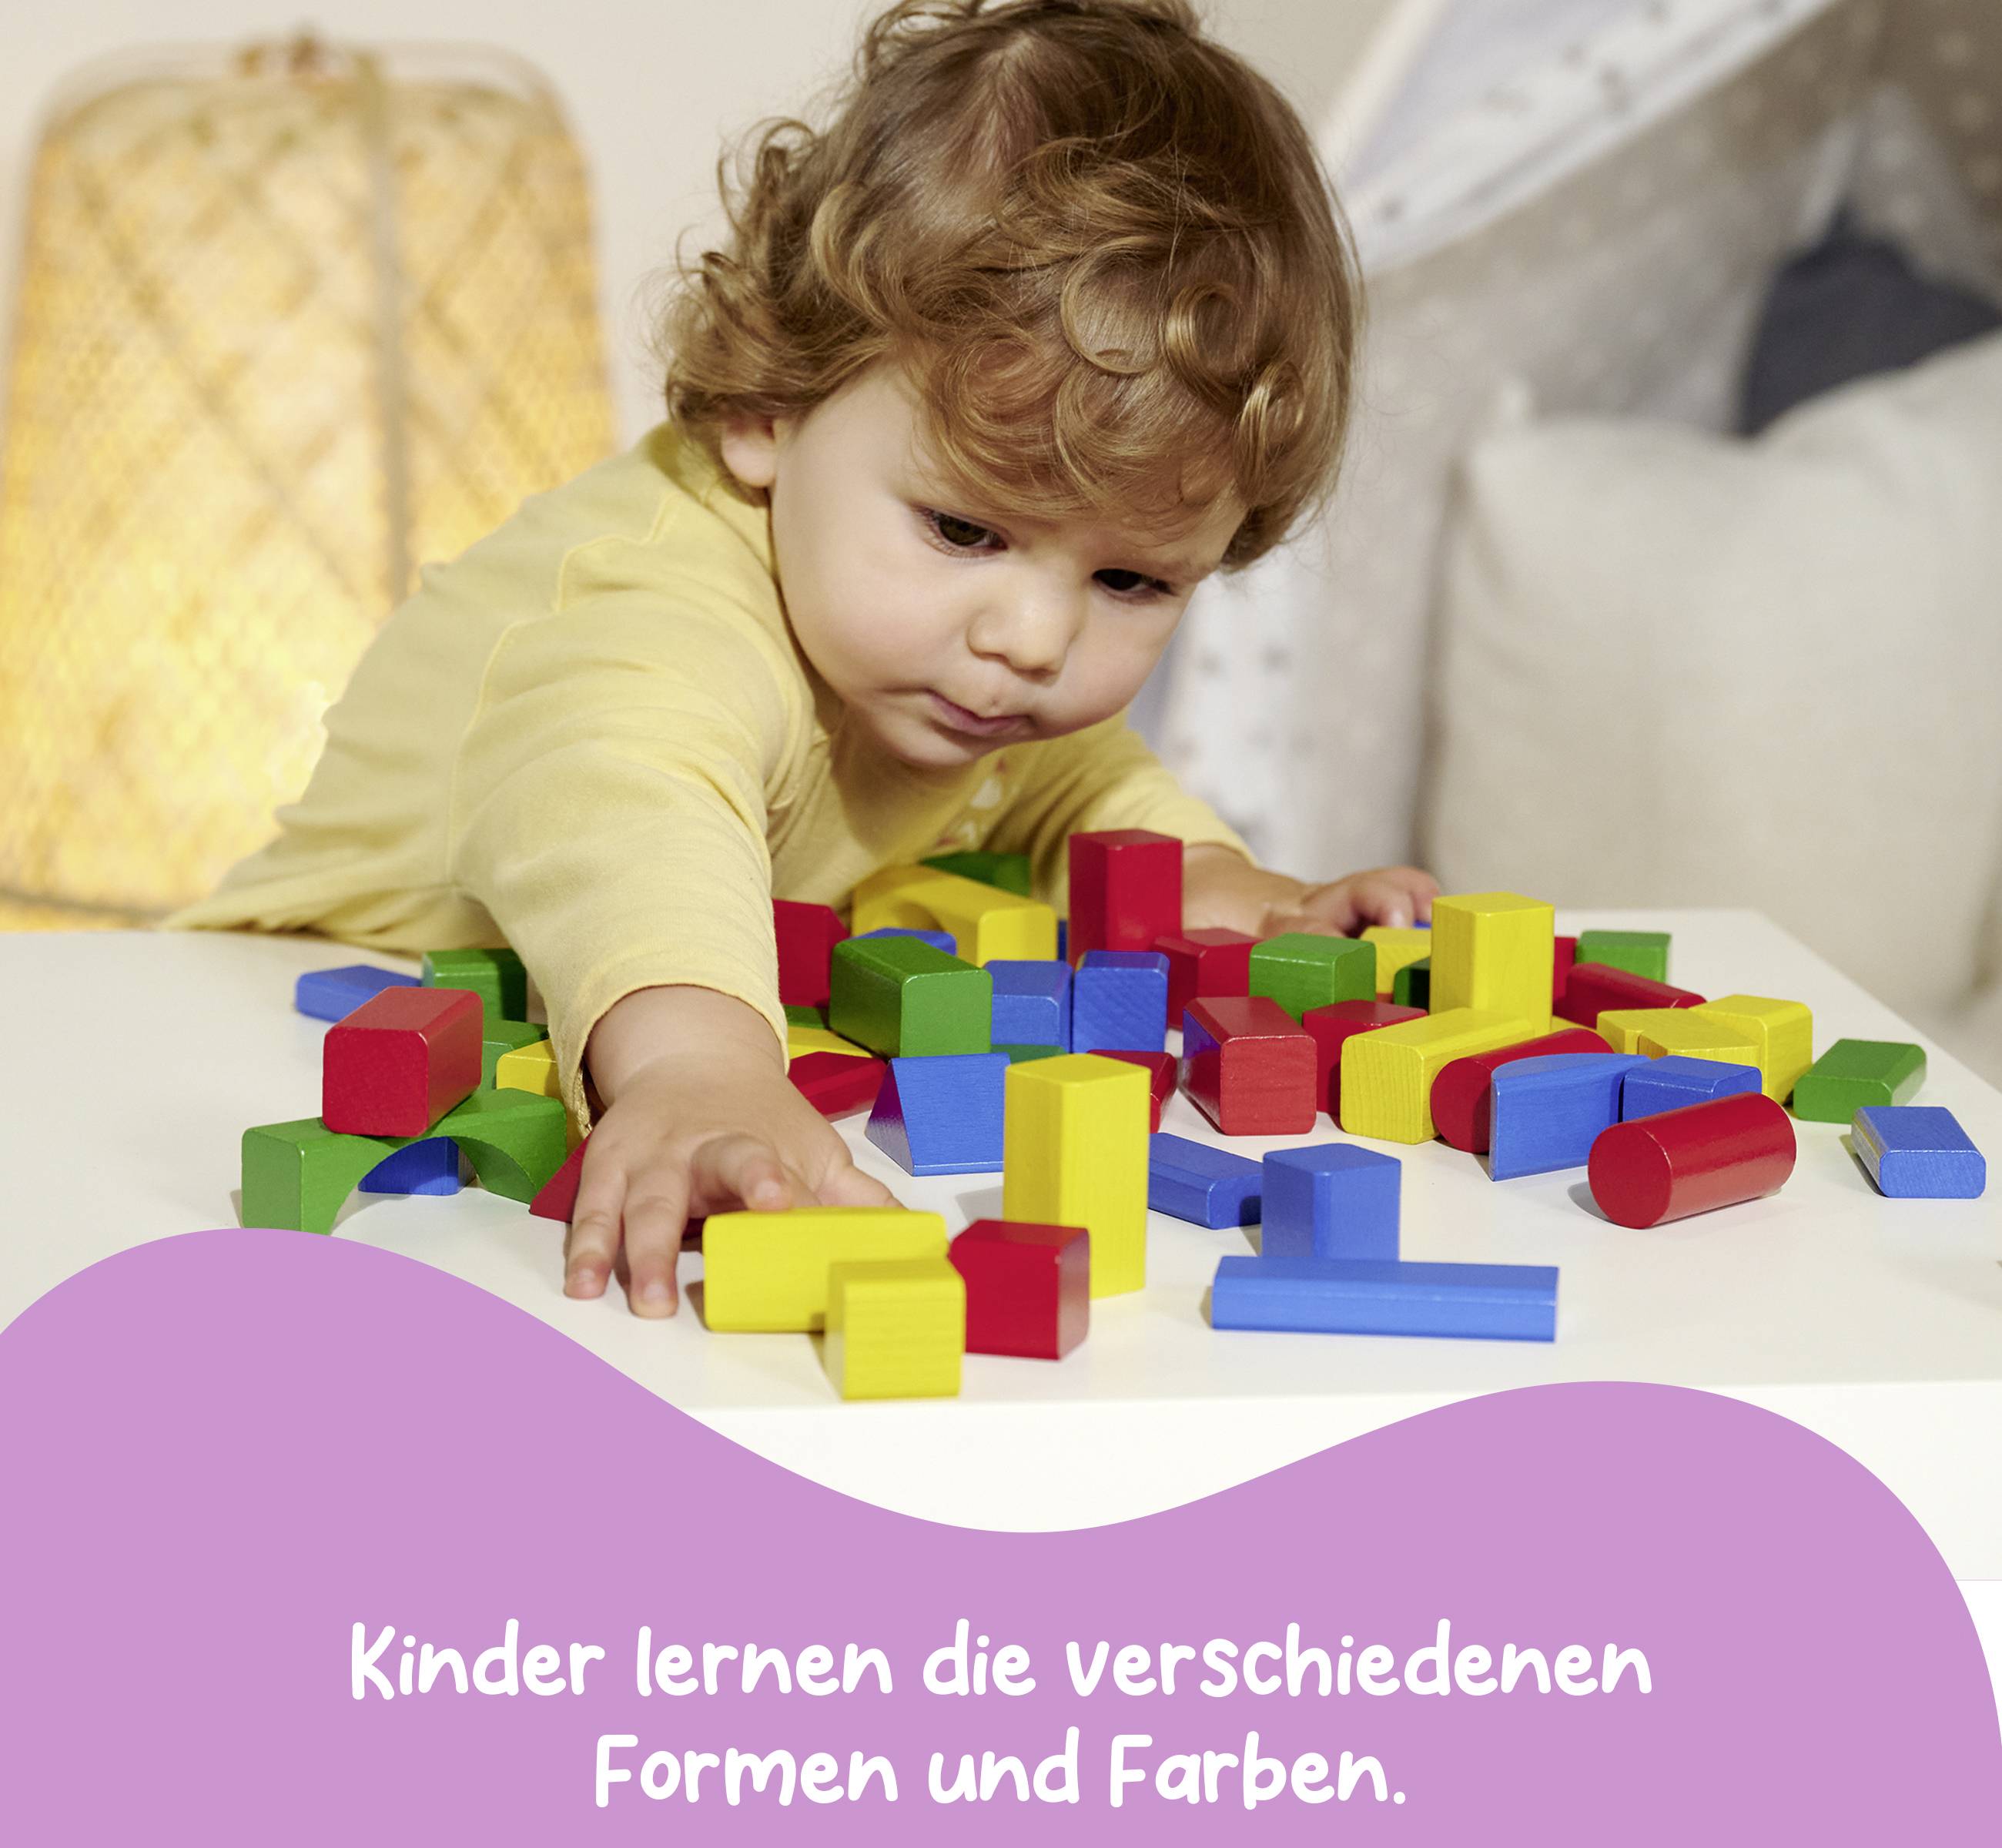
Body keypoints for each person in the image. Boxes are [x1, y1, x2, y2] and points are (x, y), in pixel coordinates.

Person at [169, 0, 1437, 1316]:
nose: (1034, 639)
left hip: (550, 1050)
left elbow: (1071, 789)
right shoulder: (665, 608)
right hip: (332, 1027)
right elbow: (617, 792)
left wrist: (1234, 893)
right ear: (767, 404)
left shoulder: (945, 664)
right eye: (964, 528)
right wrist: (701, 1064)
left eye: (1130, 579)